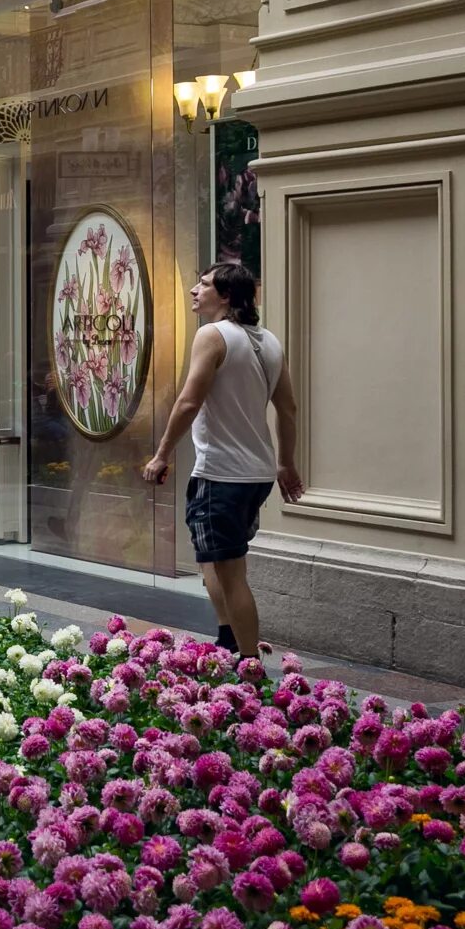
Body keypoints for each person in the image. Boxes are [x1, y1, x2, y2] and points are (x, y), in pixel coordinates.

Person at [142, 263, 305, 659]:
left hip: (221, 474)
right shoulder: (269, 341)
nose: (195, 290)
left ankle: (248, 665)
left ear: (227, 295)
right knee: (212, 559)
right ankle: (228, 639)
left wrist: (162, 454)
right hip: (256, 474)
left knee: (231, 572)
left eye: (204, 284)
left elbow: (188, 401)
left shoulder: (212, 336)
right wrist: (285, 464)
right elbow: (289, 408)